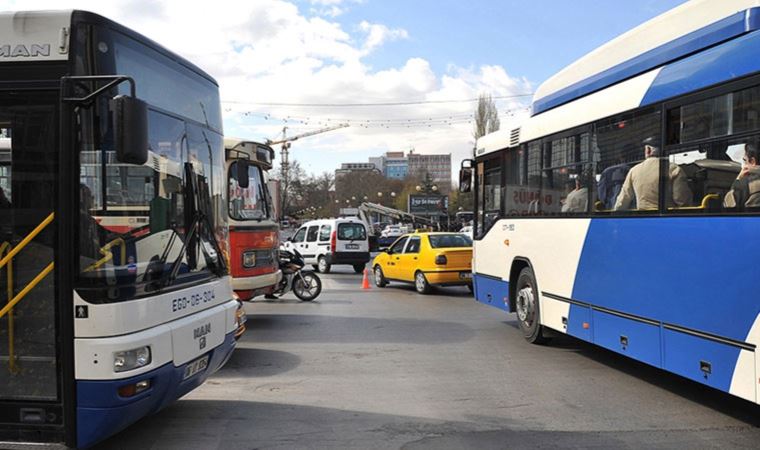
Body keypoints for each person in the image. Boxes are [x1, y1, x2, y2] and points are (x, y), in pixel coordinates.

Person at [614, 137, 691, 211]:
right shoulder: (674, 169)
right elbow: (681, 199)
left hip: (642, 218)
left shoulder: (634, 171)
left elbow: (622, 201)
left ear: (648, 150)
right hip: (667, 218)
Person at [724, 143, 760, 210]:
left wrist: (738, 180)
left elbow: (728, 206)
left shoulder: (745, 184)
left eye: (744, 160)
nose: (744, 164)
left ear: (752, 161)